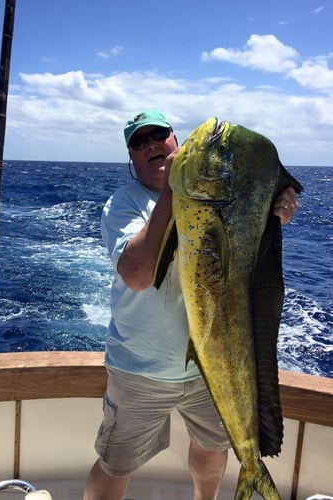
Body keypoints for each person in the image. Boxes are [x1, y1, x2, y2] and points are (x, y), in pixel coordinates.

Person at [83, 110, 299, 500]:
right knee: (117, 464)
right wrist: (176, 189)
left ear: (175, 140)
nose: (151, 145)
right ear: (131, 158)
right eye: (138, 142)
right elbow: (138, 274)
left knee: (213, 449)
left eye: (159, 136)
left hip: (210, 368)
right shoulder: (123, 204)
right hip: (140, 369)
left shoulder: (217, 198)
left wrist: (273, 210)